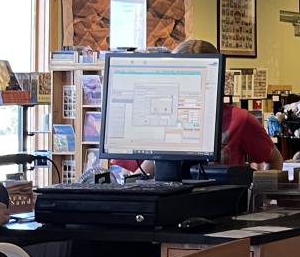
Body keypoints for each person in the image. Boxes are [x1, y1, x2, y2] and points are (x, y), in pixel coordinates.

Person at [111, 39, 284, 173]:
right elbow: (130, 174)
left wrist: (259, 200)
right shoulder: (155, 116)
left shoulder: (239, 120)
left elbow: (274, 160)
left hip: (221, 211)